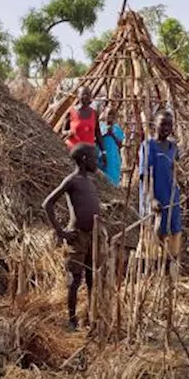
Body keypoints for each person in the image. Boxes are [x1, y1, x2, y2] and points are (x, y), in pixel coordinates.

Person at [43, 143, 102, 331]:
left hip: (93, 236)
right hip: (77, 237)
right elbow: (47, 204)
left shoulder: (90, 182)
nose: (97, 161)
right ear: (84, 160)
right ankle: (71, 319)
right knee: (75, 279)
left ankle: (92, 317)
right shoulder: (72, 180)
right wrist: (61, 232)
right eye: (94, 158)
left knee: (92, 277)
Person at [143, 110, 184, 274]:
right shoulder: (148, 146)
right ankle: (151, 272)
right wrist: (151, 199)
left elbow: (175, 170)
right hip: (154, 194)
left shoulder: (173, 147)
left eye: (169, 125)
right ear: (154, 125)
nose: (166, 128)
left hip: (171, 195)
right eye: (163, 124)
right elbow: (145, 175)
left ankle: (170, 270)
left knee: (173, 230)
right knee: (153, 232)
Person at [64, 86, 104, 151]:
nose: (85, 96)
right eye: (83, 94)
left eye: (88, 95)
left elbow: (97, 133)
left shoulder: (94, 113)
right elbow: (63, 131)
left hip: (89, 151)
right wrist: (68, 132)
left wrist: (103, 151)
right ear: (78, 96)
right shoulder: (71, 112)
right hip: (73, 150)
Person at [99, 107, 125, 187]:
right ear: (104, 114)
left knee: (112, 177)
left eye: (113, 114)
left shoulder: (117, 128)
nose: (110, 116)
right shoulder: (100, 126)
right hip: (101, 155)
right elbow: (96, 139)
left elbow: (120, 144)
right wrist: (105, 133)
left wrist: (112, 134)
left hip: (113, 157)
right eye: (109, 113)